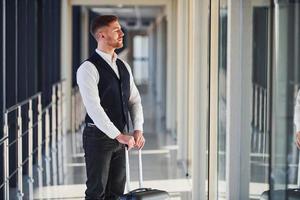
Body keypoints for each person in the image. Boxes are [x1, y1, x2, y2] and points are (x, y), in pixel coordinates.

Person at [76, 15, 145, 200]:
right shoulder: (88, 69)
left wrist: (137, 128)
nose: (122, 33)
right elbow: (94, 108)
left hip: (121, 138)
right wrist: (119, 135)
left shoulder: (123, 66)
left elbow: (134, 100)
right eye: (116, 30)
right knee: (96, 192)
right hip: (98, 138)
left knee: (116, 193)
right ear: (101, 36)